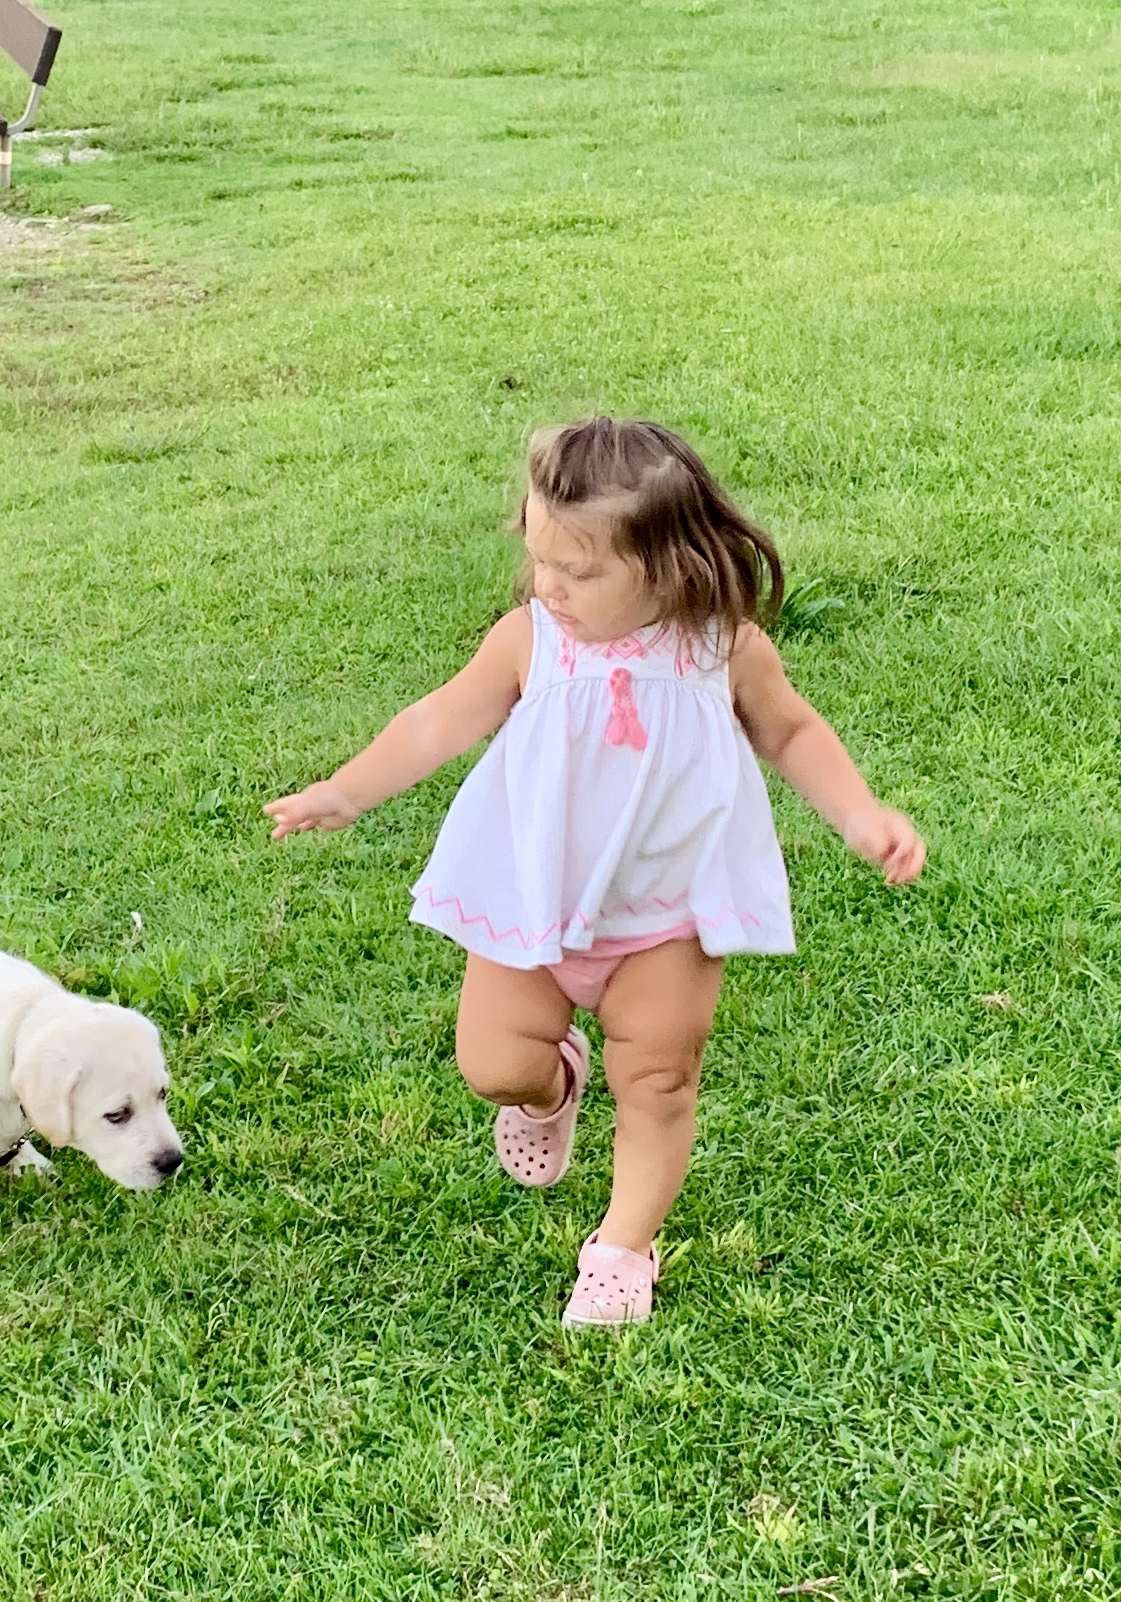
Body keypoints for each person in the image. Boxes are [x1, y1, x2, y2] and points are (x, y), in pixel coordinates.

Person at [266, 417, 926, 1327]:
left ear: (667, 566)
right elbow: (436, 721)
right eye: (540, 558)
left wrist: (860, 815)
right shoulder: (530, 639)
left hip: (667, 916)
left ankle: (621, 1248)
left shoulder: (721, 649)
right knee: (496, 1066)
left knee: (658, 1082)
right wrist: (346, 791)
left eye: (578, 571)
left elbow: (790, 731)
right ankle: (555, 1085)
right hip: (533, 904)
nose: (550, 585)